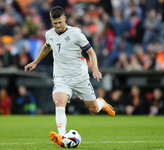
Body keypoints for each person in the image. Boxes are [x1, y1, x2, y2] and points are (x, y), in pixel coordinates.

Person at [24, 6, 115, 148]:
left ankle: (101, 103)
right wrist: (35, 62)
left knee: (93, 109)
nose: (58, 26)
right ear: (51, 21)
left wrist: (95, 69)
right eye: (55, 23)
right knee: (59, 102)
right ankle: (61, 136)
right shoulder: (49, 34)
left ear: (65, 18)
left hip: (80, 77)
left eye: (60, 22)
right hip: (61, 78)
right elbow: (47, 47)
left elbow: (91, 52)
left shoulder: (76, 33)